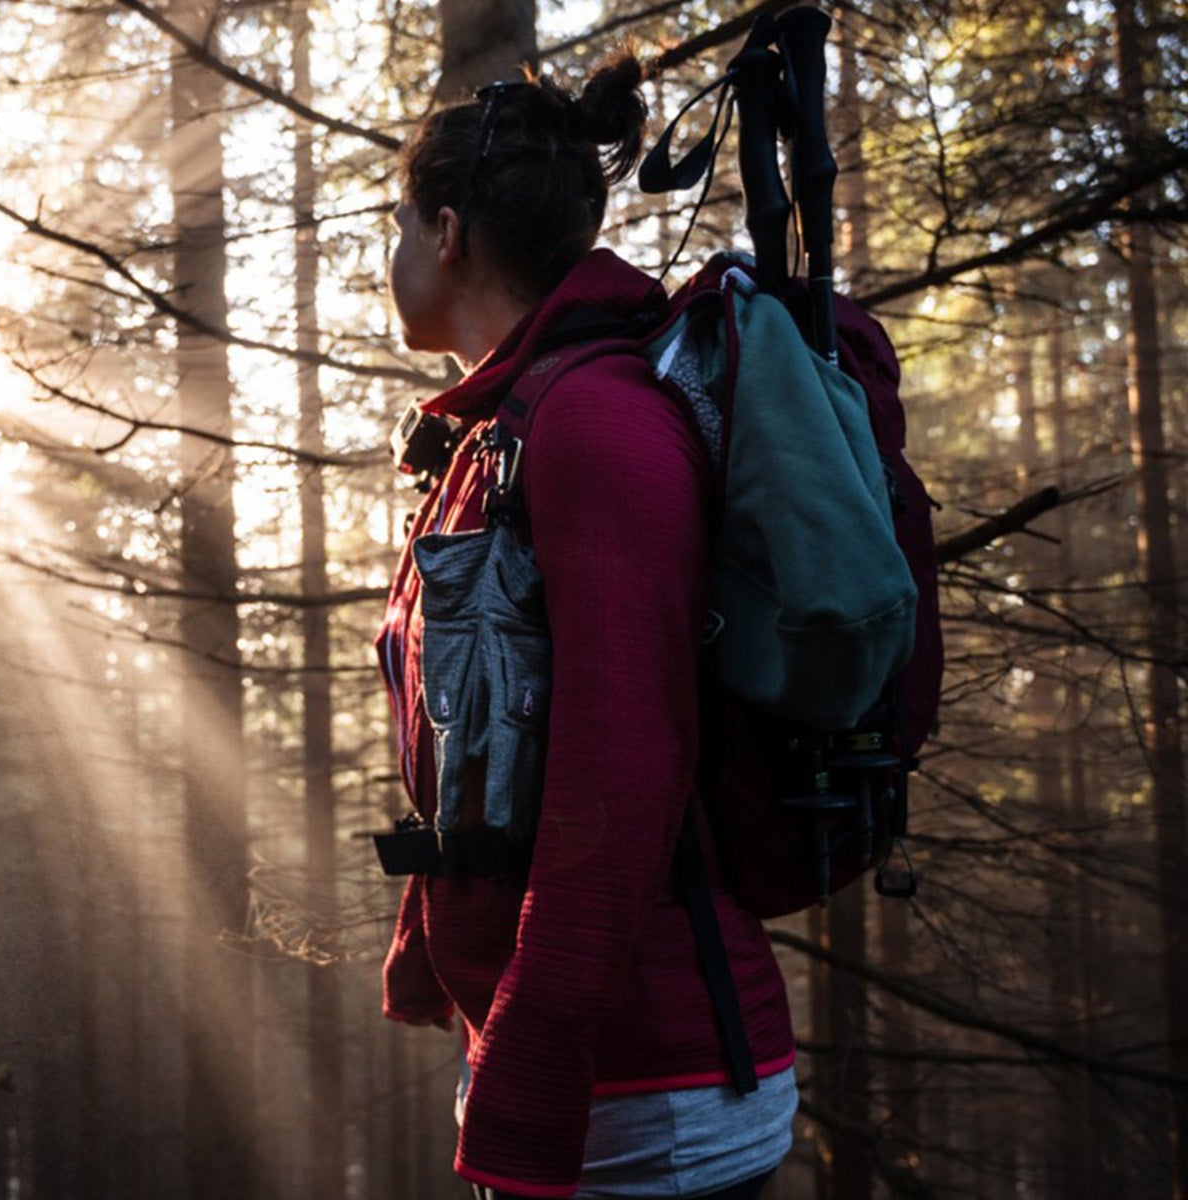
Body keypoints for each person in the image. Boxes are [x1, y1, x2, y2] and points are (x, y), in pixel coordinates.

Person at [374, 53, 800, 1200]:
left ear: (448, 232)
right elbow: (484, 729)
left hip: (645, 1096)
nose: (389, 257)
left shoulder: (593, 424)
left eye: (395, 224)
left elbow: (621, 762)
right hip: (576, 1071)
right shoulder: (494, 433)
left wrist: (532, 1064)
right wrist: (436, 945)